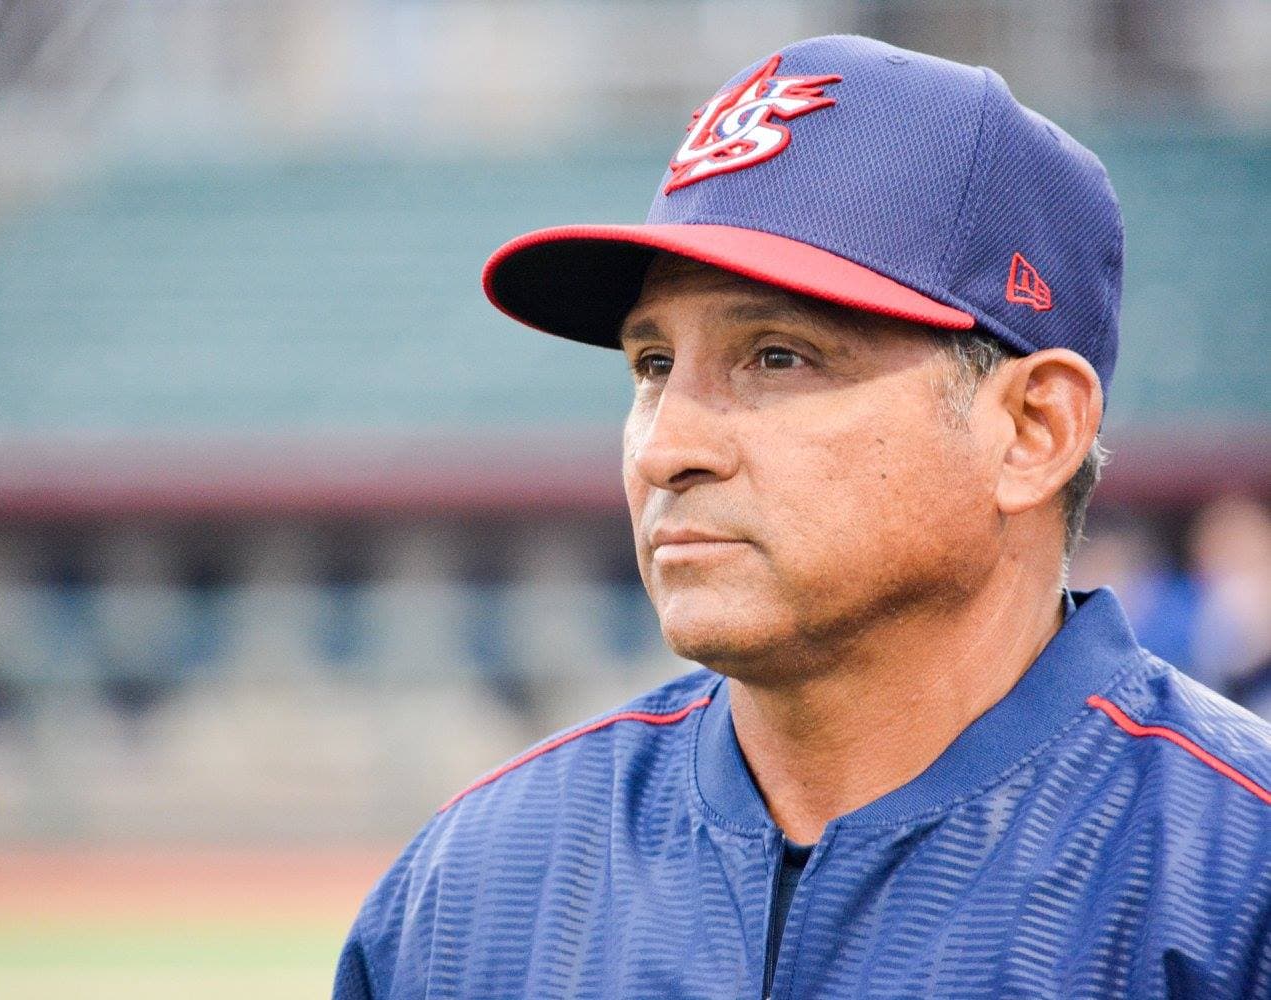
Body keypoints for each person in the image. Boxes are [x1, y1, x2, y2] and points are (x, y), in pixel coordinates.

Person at [333, 35, 1271, 999]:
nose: (666, 449)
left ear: (1032, 429)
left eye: (778, 356)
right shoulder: (471, 892)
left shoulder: (1238, 884)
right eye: (652, 366)